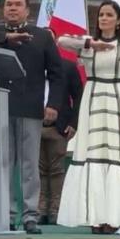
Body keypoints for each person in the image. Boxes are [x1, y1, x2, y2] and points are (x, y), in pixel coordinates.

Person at [56, 0, 120, 235]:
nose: (104, 18)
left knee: (116, 156)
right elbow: (61, 40)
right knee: (93, 155)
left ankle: (113, 217)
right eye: (101, 14)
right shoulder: (86, 44)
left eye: (109, 14)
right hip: (92, 100)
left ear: (119, 20)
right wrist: (92, 43)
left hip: (118, 99)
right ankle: (95, 217)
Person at [0, 0, 63, 234]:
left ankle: (30, 215)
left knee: (30, 165)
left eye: (18, 4)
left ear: (27, 10)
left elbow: (57, 73)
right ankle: (6, 215)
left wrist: (53, 104)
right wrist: (7, 37)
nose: (12, 8)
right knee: (2, 164)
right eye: (8, 4)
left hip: (30, 108)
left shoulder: (41, 36)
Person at [39, 27, 83, 226]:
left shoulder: (68, 66)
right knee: (37, 170)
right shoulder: (31, 67)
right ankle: (39, 211)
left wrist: (74, 123)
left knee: (56, 170)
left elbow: (79, 96)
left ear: (55, 42)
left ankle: (55, 211)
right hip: (34, 125)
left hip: (60, 127)